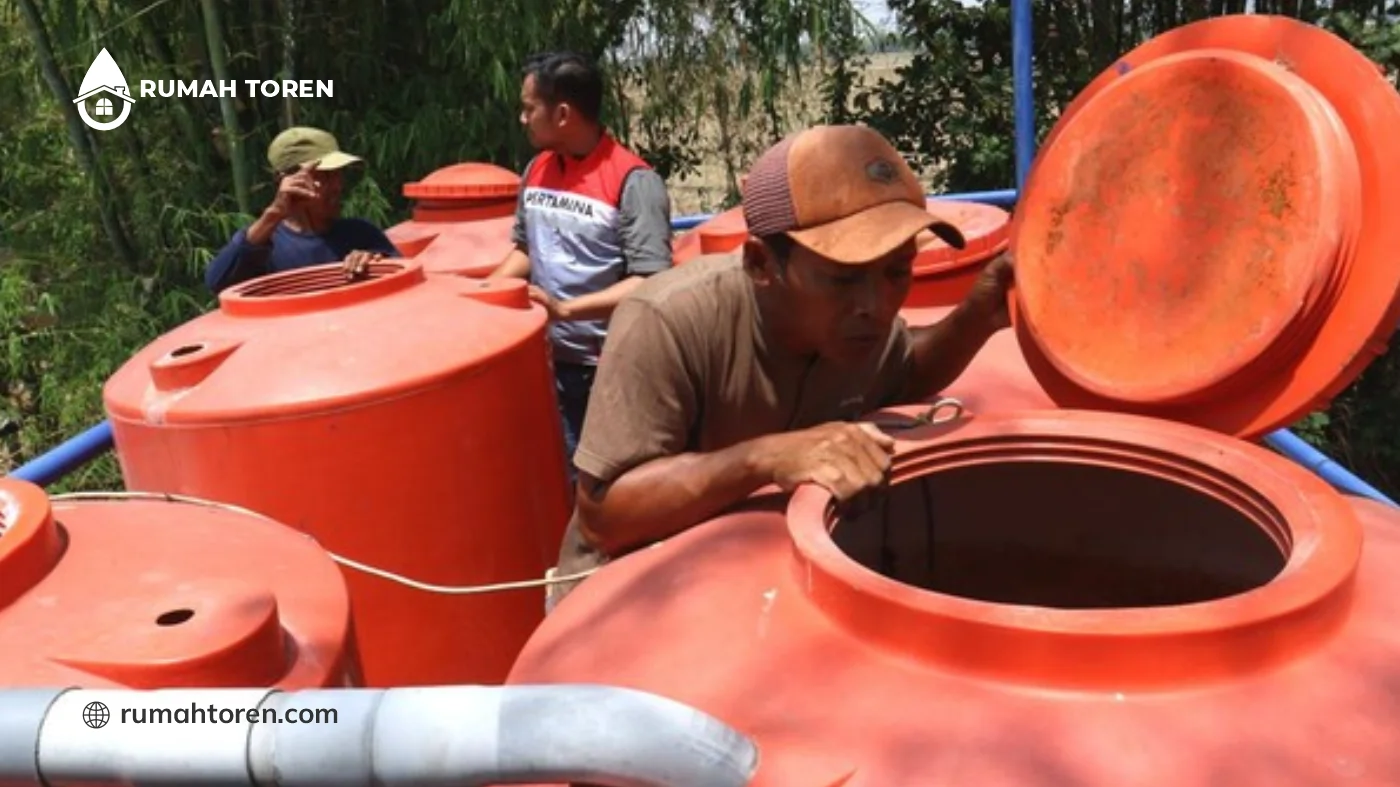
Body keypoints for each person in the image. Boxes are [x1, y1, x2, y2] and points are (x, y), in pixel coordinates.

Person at [545, 124, 1015, 612]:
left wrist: (976, 318)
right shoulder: (668, 320)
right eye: (843, 278)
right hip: (629, 606)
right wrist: (767, 457)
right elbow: (602, 516)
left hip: (750, 586)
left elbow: (906, 369)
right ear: (760, 264)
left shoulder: (851, 328)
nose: (875, 306)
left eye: (897, 271)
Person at [487, 51, 673, 485]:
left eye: (529, 107)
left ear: (563, 114)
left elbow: (651, 281)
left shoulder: (633, 182)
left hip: (609, 370)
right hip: (547, 363)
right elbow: (526, 249)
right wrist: (485, 292)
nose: (522, 118)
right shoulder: (537, 170)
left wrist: (565, 310)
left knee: (605, 490)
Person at [204, 126, 400, 295]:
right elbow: (217, 282)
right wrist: (274, 214)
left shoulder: (360, 233)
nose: (337, 185)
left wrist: (375, 263)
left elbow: (402, 275)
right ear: (285, 181)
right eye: (325, 176)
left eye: (338, 175)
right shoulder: (265, 247)